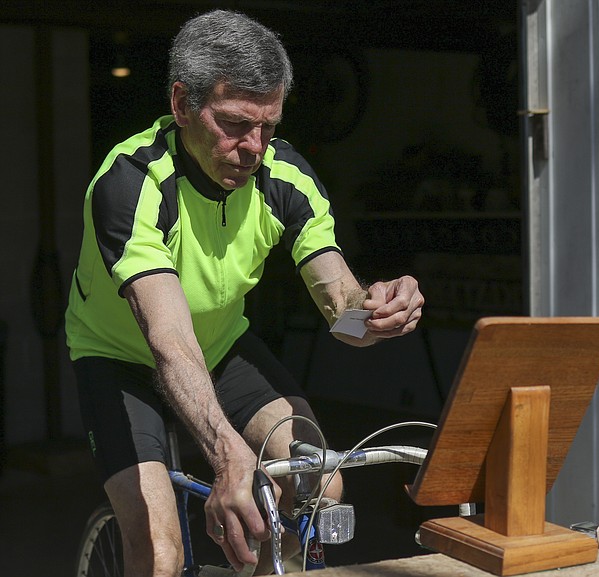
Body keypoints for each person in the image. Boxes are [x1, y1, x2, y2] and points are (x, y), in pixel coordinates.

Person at [65, 9, 424, 577]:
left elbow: (342, 313)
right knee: (160, 554)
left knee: (318, 489)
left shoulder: (285, 180)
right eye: (234, 124)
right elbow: (167, 341)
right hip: (121, 359)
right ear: (181, 104)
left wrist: (375, 314)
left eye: (270, 127)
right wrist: (228, 454)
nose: (254, 147)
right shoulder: (131, 183)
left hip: (221, 348)